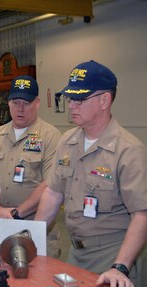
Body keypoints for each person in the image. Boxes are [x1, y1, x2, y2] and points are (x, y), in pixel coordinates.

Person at [34, 60, 147, 287]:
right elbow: (53, 193)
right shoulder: (68, 140)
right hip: (76, 254)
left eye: (80, 99)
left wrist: (120, 267)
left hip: (114, 257)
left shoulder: (128, 150)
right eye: (70, 98)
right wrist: (31, 238)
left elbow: (142, 214)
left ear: (105, 100)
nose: (71, 105)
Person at [0, 75, 62, 258]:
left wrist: (16, 213)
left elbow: (50, 184)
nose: (20, 108)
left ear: (37, 103)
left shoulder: (50, 137)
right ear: (8, 103)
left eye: (27, 102)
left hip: (36, 226)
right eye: (16, 102)